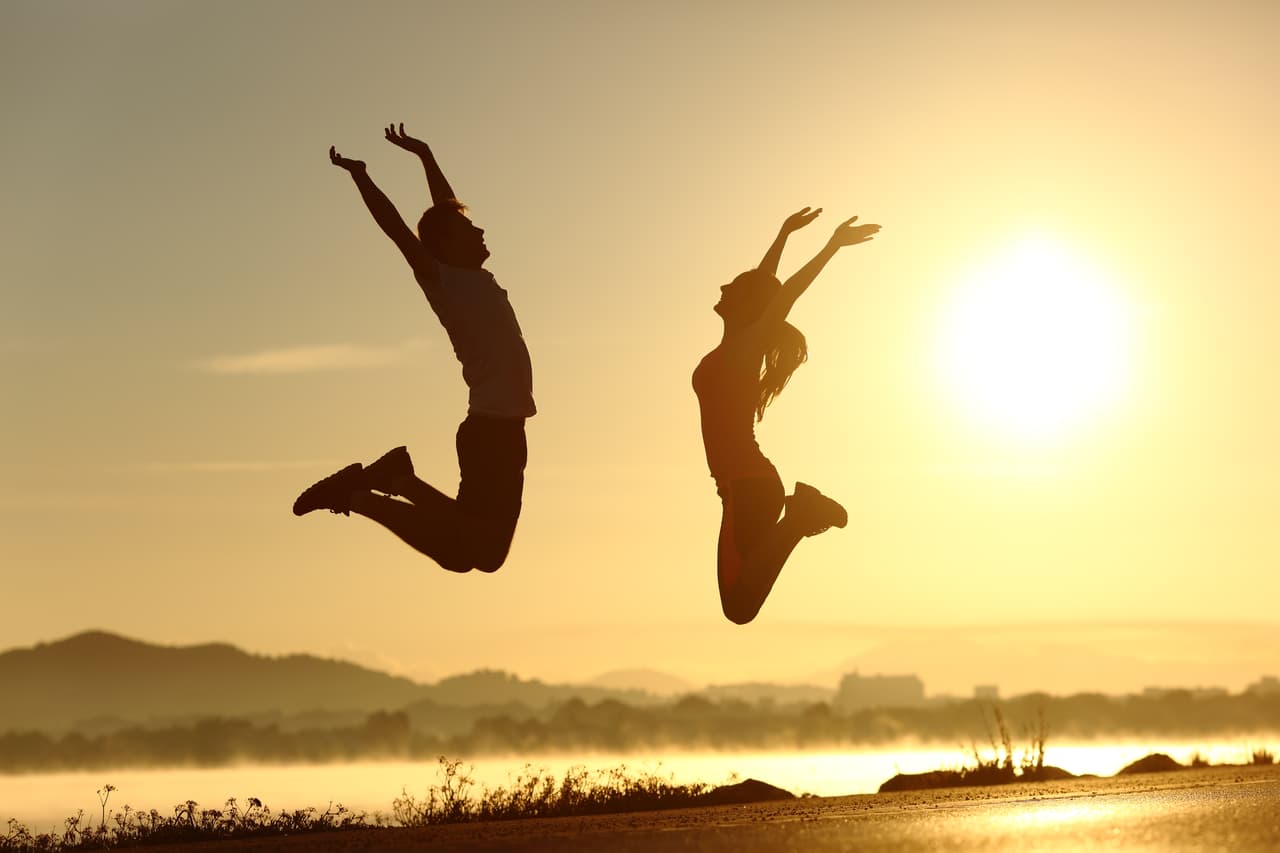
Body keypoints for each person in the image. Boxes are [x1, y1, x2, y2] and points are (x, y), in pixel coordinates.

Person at [293, 124, 535, 574]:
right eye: (468, 227)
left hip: (501, 430)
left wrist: (425, 156)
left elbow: (446, 211)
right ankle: (382, 486)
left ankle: (386, 483)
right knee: (483, 551)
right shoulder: (444, 281)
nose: (480, 228)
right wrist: (361, 176)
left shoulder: (474, 277)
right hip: (492, 431)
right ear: (447, 245)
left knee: (465, 555)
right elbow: (398, 230)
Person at [692, 207, 880, 623]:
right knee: (739, 606)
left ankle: (800, 518)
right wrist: (782, 235)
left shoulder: (743, 351)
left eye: (734, 286)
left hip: (749, 486)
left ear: (745, 306)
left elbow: (781, 295)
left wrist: (830, 246)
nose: (724, 285)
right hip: (741, 488)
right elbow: (763, 287)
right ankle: (802, 515)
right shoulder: (736, 346)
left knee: (739, 608)